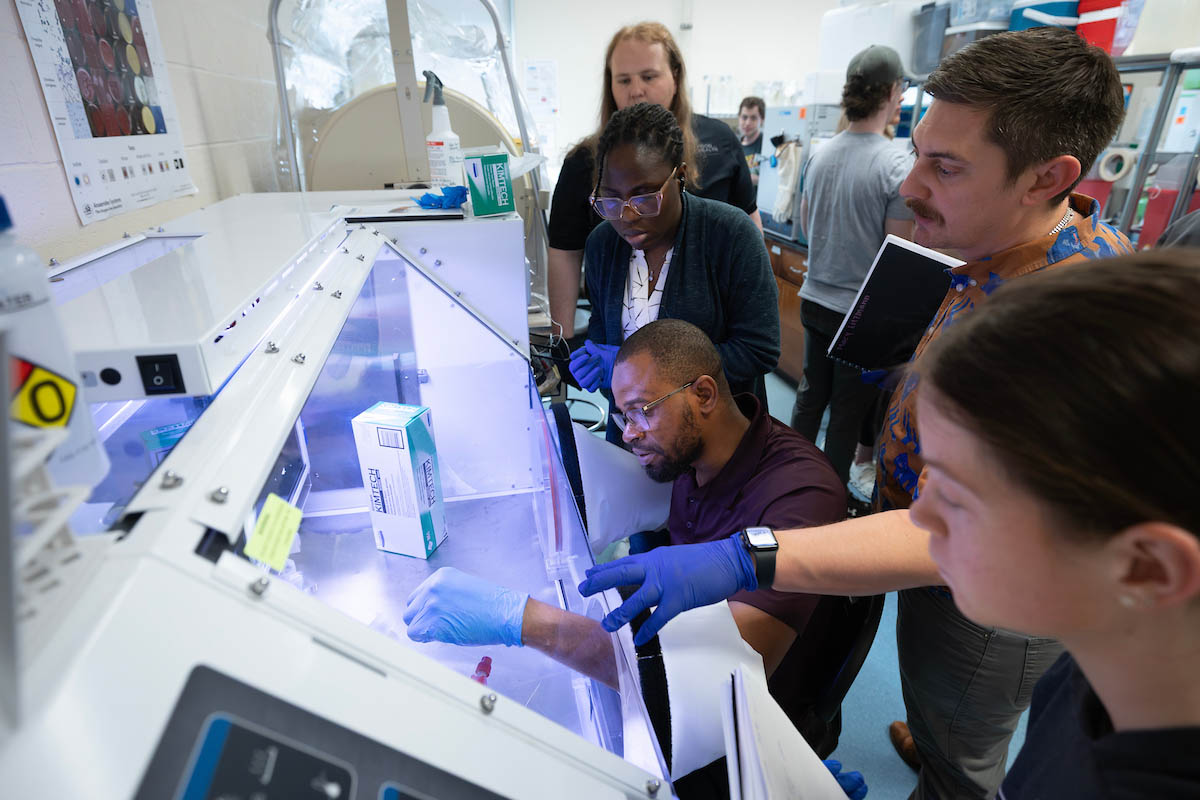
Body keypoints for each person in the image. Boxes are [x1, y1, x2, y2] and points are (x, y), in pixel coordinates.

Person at [579, 27, 1134, 800]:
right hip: (924, 541)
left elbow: (953, 535)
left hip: (981, 592)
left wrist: (749, 558)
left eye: (945, 168)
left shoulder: (1063, 323)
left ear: (1049, 177)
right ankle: (937, 732)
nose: (909, 189)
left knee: (963, 752)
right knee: (937, 704)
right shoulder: (998, 244)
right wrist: (915, 368)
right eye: (918, 154)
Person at [403, 319, 850, 784]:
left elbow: (715, 682)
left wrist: (521, 619)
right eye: (623, 416)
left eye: (642, 412)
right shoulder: (693, 456)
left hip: (741, 728)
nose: (630, 433)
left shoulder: (801, 494)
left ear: (703, 395)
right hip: (689, 667)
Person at [565, 102, 779, 443]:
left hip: (713, 448)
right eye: (610, 200)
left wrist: (634, 368)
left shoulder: (730, 234)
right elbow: (602, 331)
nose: (627, 216)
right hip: (631, 438)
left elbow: (758, 350)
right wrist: (595, 358)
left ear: (679, 176)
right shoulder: (602, 244)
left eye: (644, 198)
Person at [547, 22, 761, 338]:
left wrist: (756, 316)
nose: (636, 90)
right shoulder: (584, 161)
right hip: (630, 346)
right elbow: (564, 252)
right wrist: (561, 342)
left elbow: (750, 224)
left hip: (720, 341)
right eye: (624, 80)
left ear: (675, 75)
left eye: (649, 76)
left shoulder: (720, 142)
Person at [789, 45, 914, 489]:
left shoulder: (820, 155)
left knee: (808, 401)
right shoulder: (896, 164)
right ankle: (824, 500)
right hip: (857, 315)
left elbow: (805, 225)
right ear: (892, 92)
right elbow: (898, 252)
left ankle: (788, 485)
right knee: (845, 416)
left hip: (815, 299)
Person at [738, 96, 765, 186]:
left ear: (762, 120)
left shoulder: (767, 145)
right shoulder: (733, 145)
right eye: (744, 117)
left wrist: (758, 180)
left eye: (753, 118)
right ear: (739, 118)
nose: (748, 123)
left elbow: (776, 180)